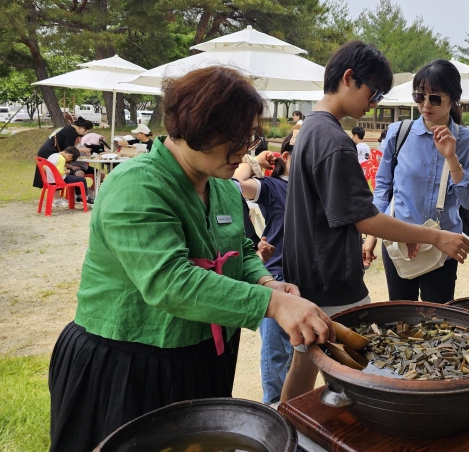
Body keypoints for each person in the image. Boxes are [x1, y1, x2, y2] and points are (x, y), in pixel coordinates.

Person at [48, 67, 333, 452]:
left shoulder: (224, 187)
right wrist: (273, 303)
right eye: (236, 138)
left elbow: (241, 248)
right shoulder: (137, 185)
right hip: (129, 363)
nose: (245, 150)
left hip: (202, 355)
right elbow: (169, 282)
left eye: (250, 137)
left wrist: (265, 281)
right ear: (196, 127)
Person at [281, 41, 469, 403]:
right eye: (374, 93)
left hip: (309, 272)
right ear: (348, 78)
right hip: (333, 277)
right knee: (366, 368)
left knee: (305, 362)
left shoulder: (310, 129)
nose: (374, 103)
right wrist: (437, 237)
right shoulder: (335, 141)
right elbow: (364, 218)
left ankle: (288, 426)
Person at [368, 58, 469, 303]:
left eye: (435, 98)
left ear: (453, 98)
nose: (425, 105)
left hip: (443, 244)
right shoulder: (399, 133)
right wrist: (372, 235)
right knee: (399, 313)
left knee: (437, 316)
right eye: (419, 96)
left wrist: (451, 158)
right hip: (398, 239)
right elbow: (383, 187)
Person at [233, 131, 296, 405]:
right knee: (275, 348)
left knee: (297, 348)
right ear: (286, 156)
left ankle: (291, 403)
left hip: (304, 277)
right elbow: (236, 185)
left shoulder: (316, 189)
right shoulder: (272, 186)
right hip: (275, 274)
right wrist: (255, 161)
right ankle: (273, 404)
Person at [33, 118, 93, 190]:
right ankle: (56, 195)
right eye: (86, 131)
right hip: (49, 151)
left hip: (46, 151)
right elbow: (69, 149)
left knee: (53, 175)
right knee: (55, 175)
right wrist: (84, 150)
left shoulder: (68, 128)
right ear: (83, 127)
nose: (84, 134)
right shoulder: (71, 131)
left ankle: (55, 193)